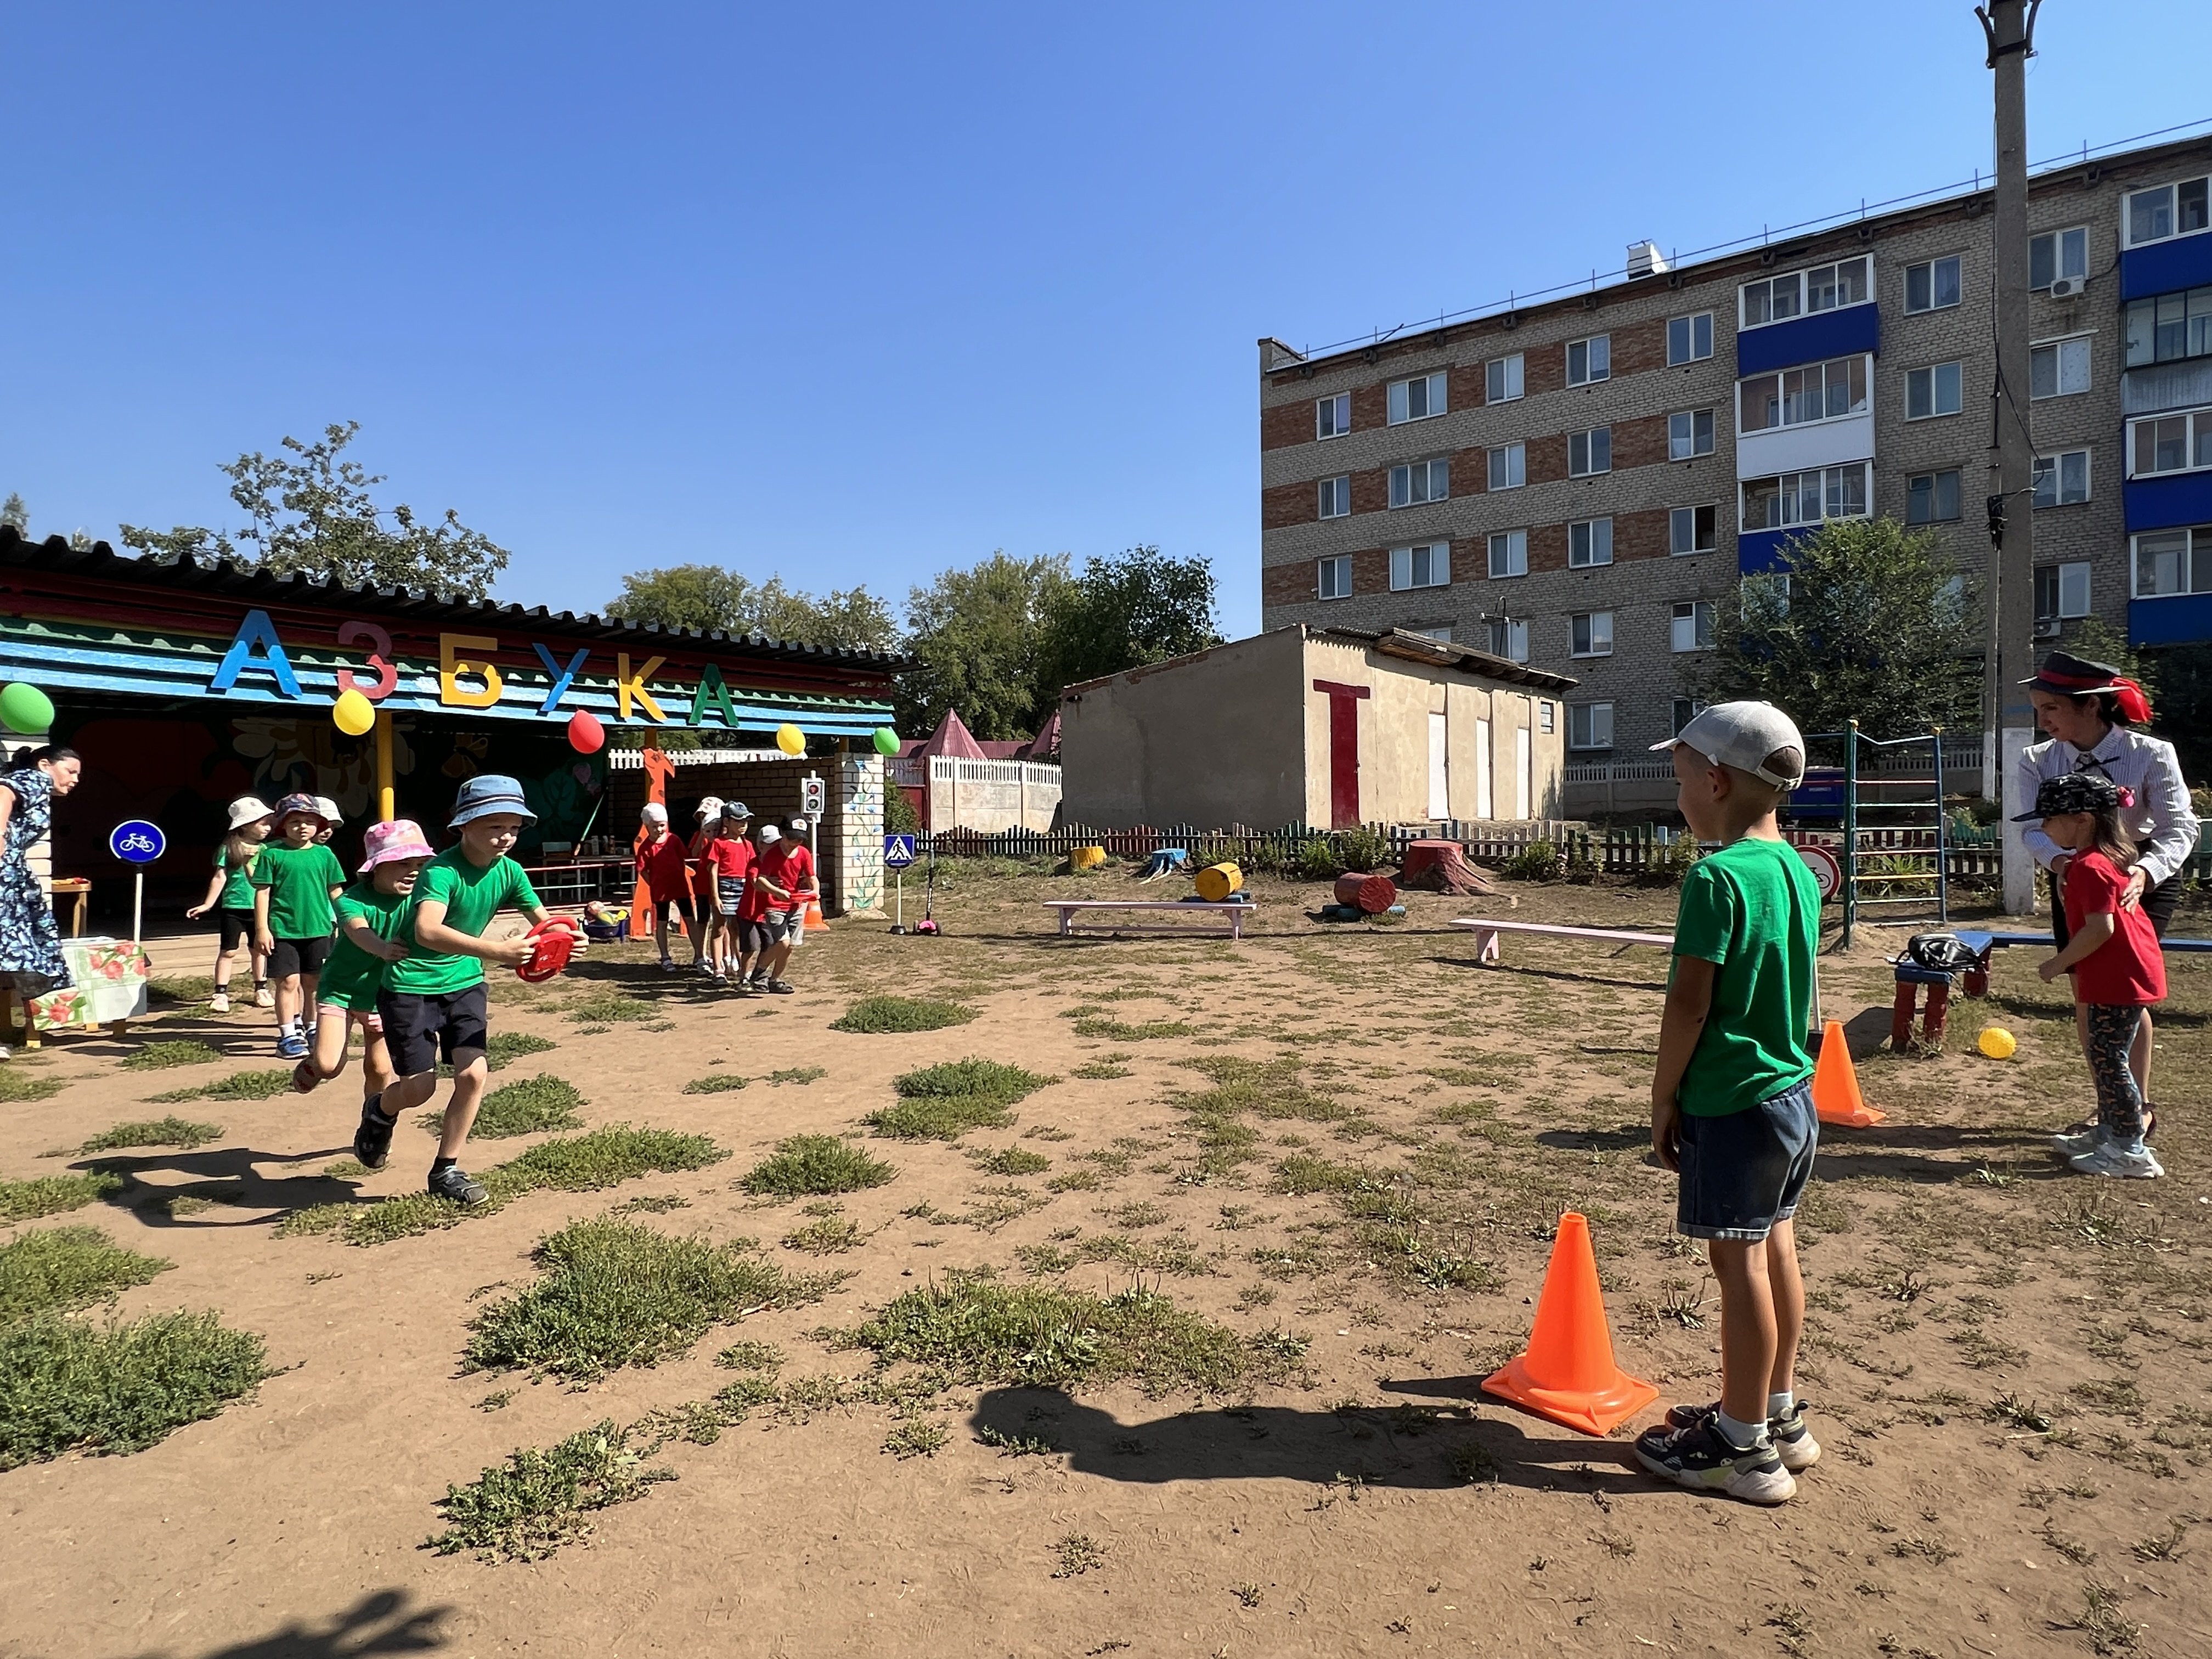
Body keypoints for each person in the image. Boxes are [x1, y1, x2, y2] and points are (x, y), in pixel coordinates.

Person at [1637, 703, 1821, 1506]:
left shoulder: (1716, 878)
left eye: (1678, 779)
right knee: (1776, 1247)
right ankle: (1779, 1415)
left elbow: (1689, 1004)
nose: (1677, 794)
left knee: (1736, 1261)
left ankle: (1741, 1449)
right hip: (1792, 1096)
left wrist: (1662, 1096)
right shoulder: (1796, 869)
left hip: (1733, 1103)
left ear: (1713, 782)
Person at [355, 775, 582, 1206]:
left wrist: (569, 938)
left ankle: (446, 1169)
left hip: (466, 984)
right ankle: (380, 1110)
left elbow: (544, 921)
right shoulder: (441, 871)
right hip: (410, 987)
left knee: (473, 1073)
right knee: (420, 1090)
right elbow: (427, 930)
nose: (506, 838)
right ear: (464, 827)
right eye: (494, 826)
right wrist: (497, 950)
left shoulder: (510, 871)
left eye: (514, 828)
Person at [2016, 651, 2196, 1136]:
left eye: (2051, 708)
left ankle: (2135, 1107)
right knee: (2088, 993)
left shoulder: (2151, 754)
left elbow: (2181, 827)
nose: (2043, 720)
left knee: (2124, 993)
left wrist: (2144, 873)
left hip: (2142, 875)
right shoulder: (2037, 760)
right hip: (2076, 875)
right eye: (2038, 709)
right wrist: (2061, 864)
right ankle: (2108, 1103)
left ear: (2091, 707)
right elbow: (2032, 828)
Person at [2024, 774, 2168, 1180]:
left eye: (2050, 820)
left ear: (2082, 819)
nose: (2045, 829)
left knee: (2108, 1059)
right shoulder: (2099, 862)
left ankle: (2129, 1149)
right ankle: (2110, 1131)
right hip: (2120, 973)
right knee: (2106, 1056)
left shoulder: (2090, 866)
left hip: (2120, 976)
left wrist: (2058, 963)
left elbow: (2100, 929)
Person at [292, 819, 430, 1103]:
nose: (414, 872)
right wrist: (382, 949)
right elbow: (357, 931)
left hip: (384, 994)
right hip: (341, 989)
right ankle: (312, 1065)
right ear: (377, 866)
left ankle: (375, 1124)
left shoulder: (422, 900)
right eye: (403, 864)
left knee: (380, 1069)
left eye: (419, 864)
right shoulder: (351, 900)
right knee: (330, 1066)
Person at [0, 745, 83, 1057]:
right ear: (45, 764)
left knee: (12, 953)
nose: (74, 779)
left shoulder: (39, 789)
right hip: (4, 872)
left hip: (12, 876)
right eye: (70, 771)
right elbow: (4, 792)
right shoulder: (34, 779)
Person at [250, 794, 346, 1059]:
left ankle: (312, 1027)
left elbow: (335, 890)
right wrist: (262, 929)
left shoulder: (325, 854)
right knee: (287, 982)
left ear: (319, 825)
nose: (302, 826)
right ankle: (288, 1035)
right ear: (282, 825)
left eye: (309, 821)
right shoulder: (272, 853)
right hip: (282, 932)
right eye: (295, 821)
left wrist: (349, 920)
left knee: (314, 983)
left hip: (319, 930)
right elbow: (262, 893)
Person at [185, 795, 274, 1013]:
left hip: (260, 909)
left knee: (259, 950)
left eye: (269, 822)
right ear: (244, 826)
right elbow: (220, 877)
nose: (268, 827)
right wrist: (207, 904)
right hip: (233, 908)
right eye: (262, 822)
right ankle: (221, 992)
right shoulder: (229, 848)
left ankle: (261, 989)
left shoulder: (268, 851)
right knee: (229, 951)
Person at [750, 816, 819, 996]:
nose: (795, 843)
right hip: (775, 905)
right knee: (783, 941)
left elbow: (812, 877)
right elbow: (761, 880)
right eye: (792, 839)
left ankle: (775, 980)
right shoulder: (773, 854)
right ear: (782, 835)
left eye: (800, 840)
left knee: (789, 947)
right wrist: (777, 892)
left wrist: (815, 891)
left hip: (796, 905)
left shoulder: (803, 853)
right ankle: (760, 971)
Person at [635, 802, 696, 971]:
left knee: (690, 919)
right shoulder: (646, 848)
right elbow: (643, 870)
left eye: (662, 825)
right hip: (661, 891)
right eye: (655, 827)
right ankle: (665, 956)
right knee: (661, 922)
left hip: (680, 887)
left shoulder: (674, 840)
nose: (659, 830)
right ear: (647, 826)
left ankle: (700, 955)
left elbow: (683, 858)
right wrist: (654, 883)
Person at [708, 800, 755, 989]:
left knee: (737, 928)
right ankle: (718, 968)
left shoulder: (748, 845)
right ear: (727, 822)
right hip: (724, 886)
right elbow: (713, 871)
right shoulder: (719, 844)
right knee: (719, 928)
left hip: (743, 887)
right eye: (739, 821)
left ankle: (738, 965)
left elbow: (753, 868)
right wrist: (716, 896)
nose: (743, 825)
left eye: (746, 821)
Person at [688, 797, 725, 978]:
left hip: (721, 886)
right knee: (703, 921)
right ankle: (700, 955)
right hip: (703, 885)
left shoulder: (723, 841)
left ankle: (724, 957)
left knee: (722, 924)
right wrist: (704, 833)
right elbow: (694, 853)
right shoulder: (700, 836)